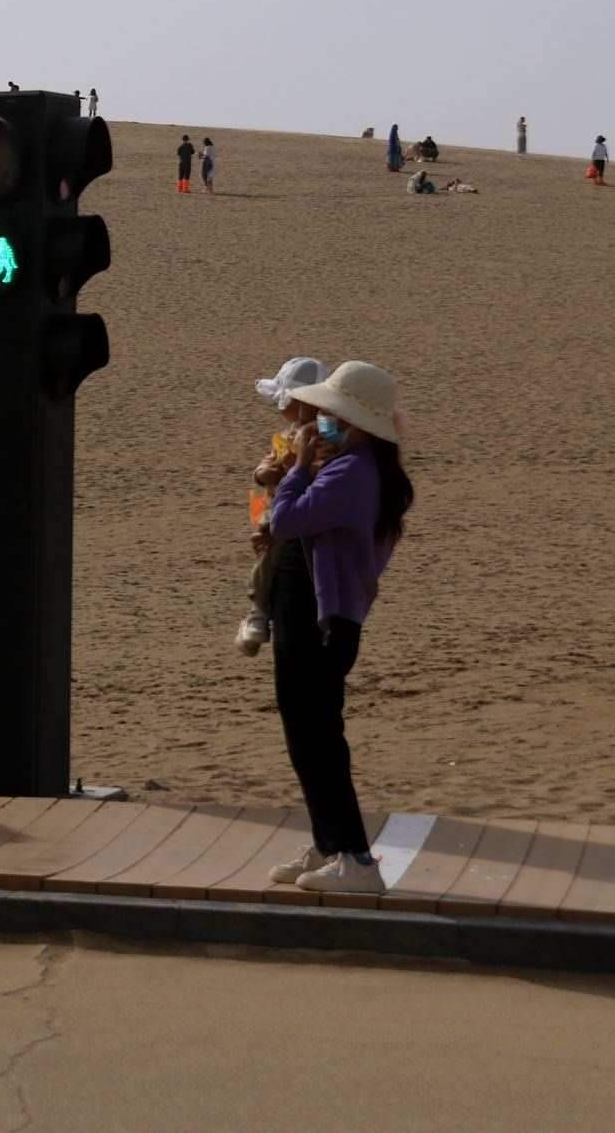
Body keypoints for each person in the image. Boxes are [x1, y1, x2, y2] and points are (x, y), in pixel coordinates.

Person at [261, 361, 413, 893]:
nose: (318, 422)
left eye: (329, 414)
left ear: (354, 422)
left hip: (321, 622)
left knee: (319, 737)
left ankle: (355, 858)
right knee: (305, 734)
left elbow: (285, 520)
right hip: (310, 615)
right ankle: (329, 845)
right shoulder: (353, 466)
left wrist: (300, 467)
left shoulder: (352, 473)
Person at [237, 357, 326, 654]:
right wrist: (264, 472)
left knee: (274, 550)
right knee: (267, 547)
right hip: (274, 503)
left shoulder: (322, 434)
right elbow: (267, 465)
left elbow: (322, 470)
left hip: (297, 506)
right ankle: (259, 610)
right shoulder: (289, 434)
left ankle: (259, 610)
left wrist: (295, 467)